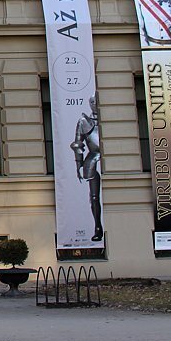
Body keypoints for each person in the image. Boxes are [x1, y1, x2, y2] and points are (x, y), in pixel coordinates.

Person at [70, 96, 104, 242]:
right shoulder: (84, 122)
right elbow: (78, 144)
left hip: (109, 157)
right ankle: (98, 227)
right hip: (92, 158)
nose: (95, 104)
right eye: (92, 102)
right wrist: (78, 165)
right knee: (94, 197)